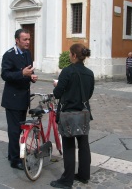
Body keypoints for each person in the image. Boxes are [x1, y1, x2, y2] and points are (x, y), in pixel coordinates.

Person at [51, 44, 95, 189]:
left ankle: (67, 180)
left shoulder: (67, 71)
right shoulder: (89, 73)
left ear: (74, 55)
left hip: (69, 113)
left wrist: (57, 85)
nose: (69, 56)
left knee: (69, 146)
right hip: (83, 113)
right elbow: (88, 94)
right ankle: (84, 175)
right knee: (83, 145)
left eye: (70, 53)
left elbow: (57, 94)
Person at [1, 29, 38, 170]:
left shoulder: (28, 53)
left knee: (21, 129)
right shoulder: (9, 55)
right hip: (12, 99)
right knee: (14, 130)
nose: (28, 42)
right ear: (17, 40)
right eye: (25, 39)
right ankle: (14, 159)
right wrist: (22, 73)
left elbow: (29, 70)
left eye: (29, 39)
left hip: (23, 99)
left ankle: (15, 153)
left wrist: (31, 77)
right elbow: (5, 75)